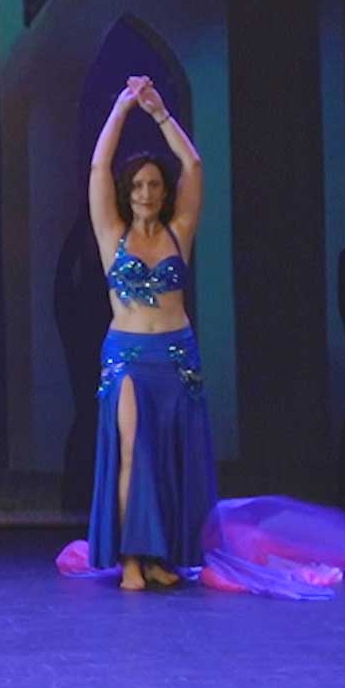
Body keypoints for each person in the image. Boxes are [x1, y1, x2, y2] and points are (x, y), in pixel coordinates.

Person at [85, 76, 216, 590]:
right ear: (128, 192)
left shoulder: (179, 232)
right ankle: (132, 559)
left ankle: (161, 555)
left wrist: (161, 114)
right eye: (138, 185)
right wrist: (121, 107)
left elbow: (195, 166)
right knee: (133, 451)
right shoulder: (112, 235)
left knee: (169, 457)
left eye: (154, 185)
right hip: (129, 357)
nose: (145, 193)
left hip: (178, 356)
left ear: (164, 192)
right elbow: (99, 167)